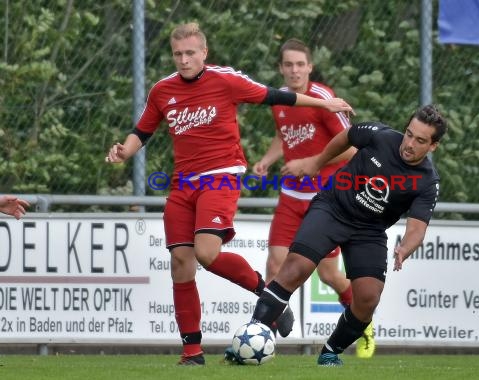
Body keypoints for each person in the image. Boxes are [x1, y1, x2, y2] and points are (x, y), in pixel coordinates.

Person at [104, 22, 353, 366]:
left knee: (207, 252)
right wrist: (125, 151)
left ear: (204, 53)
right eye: (178, 54)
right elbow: (142, 130)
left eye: (191, 53)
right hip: (183, 184)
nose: (184, 59)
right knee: (180, 263)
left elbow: (275, 94)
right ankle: (192, 352)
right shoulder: (163, 90)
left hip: (221, 176)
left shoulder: (225, 79)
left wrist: (324, 105)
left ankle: (266, 295)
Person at [247, 104, 447, 366]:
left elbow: (417, 229)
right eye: (409, 133)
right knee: (297, 267)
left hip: (369, 231)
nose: (409, 143)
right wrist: (317, 163)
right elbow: (346, 137)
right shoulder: (379, 134)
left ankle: (330, 352)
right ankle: (250, 336)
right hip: (333, 207)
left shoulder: (427, 181)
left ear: (433, 146)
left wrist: (404, 248)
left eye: (420, 140)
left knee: (368, 298)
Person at [251, 39, 374, 358]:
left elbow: (351, 147)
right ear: (281, 68)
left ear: (310, 67)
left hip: (326, 199)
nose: (294, 70)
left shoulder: (322, 99)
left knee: (329, 273)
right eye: (288, 64)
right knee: (275, 264)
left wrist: (311, 163)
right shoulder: (280, 101)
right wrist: (267, 159)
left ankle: (362, 322)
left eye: (299, 64)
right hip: (291, 196)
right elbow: (284, 136)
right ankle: (261, 338)